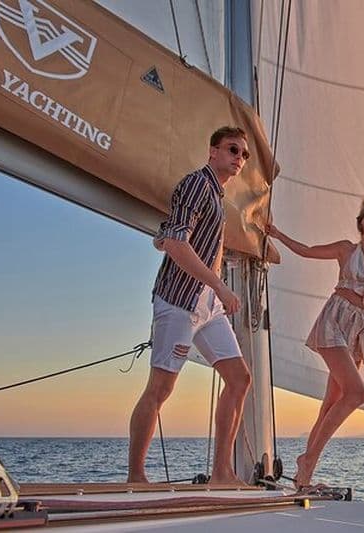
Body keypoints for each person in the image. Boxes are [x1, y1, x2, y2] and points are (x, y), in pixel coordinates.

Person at [127, 126, 253, 485]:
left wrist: (216, 285)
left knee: (239, 379)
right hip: (179, 300)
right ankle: (136, 476)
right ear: (213, 151)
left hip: (208, 305)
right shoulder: (197, 184)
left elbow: (172, 236)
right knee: (160, 389)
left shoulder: (215, 194)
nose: (239, 158)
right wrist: (221, 286)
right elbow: (177, 244)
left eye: (244, 154)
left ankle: (222, 473)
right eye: (233, 149)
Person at [266, 198, 364, 491]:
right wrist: (277, 234)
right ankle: (308, 459)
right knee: (357, 393)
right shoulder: (346, 250)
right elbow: (307, 251)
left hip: (361, 331)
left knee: (331, 404)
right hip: (335, 322)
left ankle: (304, 478)